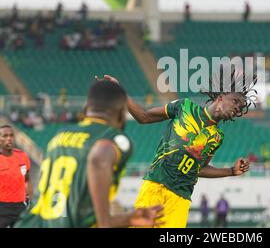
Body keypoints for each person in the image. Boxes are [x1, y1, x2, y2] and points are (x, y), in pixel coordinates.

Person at [97, 67, 255, 228]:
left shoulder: (217, 137)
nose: (237, 108)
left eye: (240, 108)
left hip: (181, 198)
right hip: (156, 184)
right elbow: (143, 117)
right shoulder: (185, 107)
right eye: (235, 101)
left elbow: (199, 169)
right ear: (221, 98)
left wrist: (230, 171)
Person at [15, 80, 163, 228]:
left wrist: (128, 219)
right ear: (121, 112)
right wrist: (107, 222)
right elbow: (99, 157)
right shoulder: (114, 138)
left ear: (86, 108)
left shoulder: (59, 137)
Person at [0, 125, 33, 228]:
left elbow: (27, 180)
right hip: (2, 208)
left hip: (20, 207)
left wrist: (29, 200)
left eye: (11, 135)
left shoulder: (22, 156)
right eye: (5, 136)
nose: (9, 138)